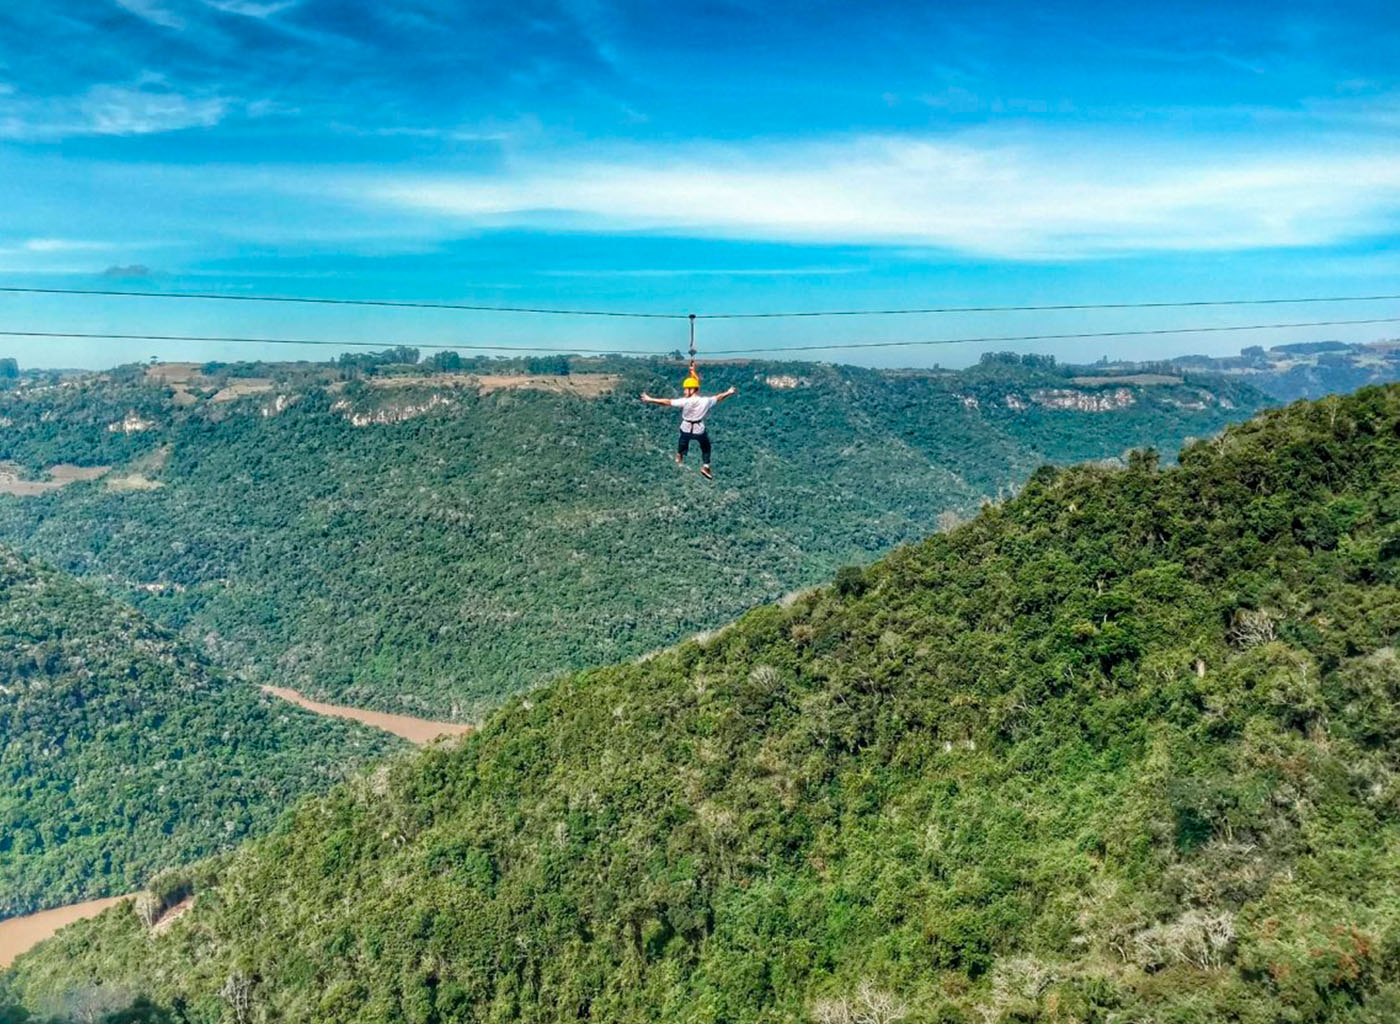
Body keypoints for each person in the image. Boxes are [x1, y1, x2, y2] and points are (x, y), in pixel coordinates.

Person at [640, 361, 737, 479]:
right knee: (705, 446)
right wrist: (729, 392)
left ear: (691, 390)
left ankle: (680, 454)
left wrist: (650, 399)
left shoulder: (685, 401)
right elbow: (719, 397)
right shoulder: (705, 401)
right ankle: (706, 466)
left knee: (682, 440)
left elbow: (666, 402)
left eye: (686, 389)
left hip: (686, 427)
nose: (684, 391)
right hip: (698, 429)